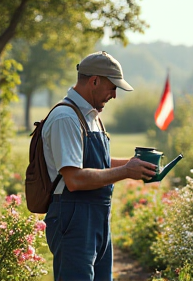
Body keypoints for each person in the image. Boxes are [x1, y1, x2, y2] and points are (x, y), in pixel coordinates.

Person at [43, 51, 157, 281]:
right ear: (94, 81)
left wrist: (137, 166)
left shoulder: (92, 116)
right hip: (74, 216)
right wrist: (126, 172)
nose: (114, 95)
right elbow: (74, 179)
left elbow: (97, 164)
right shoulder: (66, 117)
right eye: (112, 87)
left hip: (97, 216)